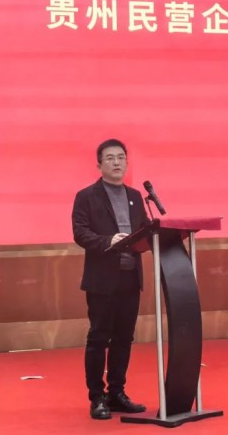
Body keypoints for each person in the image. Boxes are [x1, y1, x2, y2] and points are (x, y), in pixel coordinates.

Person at [72, 138, 149, 420]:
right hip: (102, 280)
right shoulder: (87, 196)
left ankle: (117, 393)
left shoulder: (136, 196)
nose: (117, 163)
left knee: (124, 338)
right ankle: (97, 397)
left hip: (130, 278)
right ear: (99, 165)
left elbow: (144, 231)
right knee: (99, 337)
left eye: (121, 158)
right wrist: (109, 241)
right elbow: (80, 233)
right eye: (110, 158)